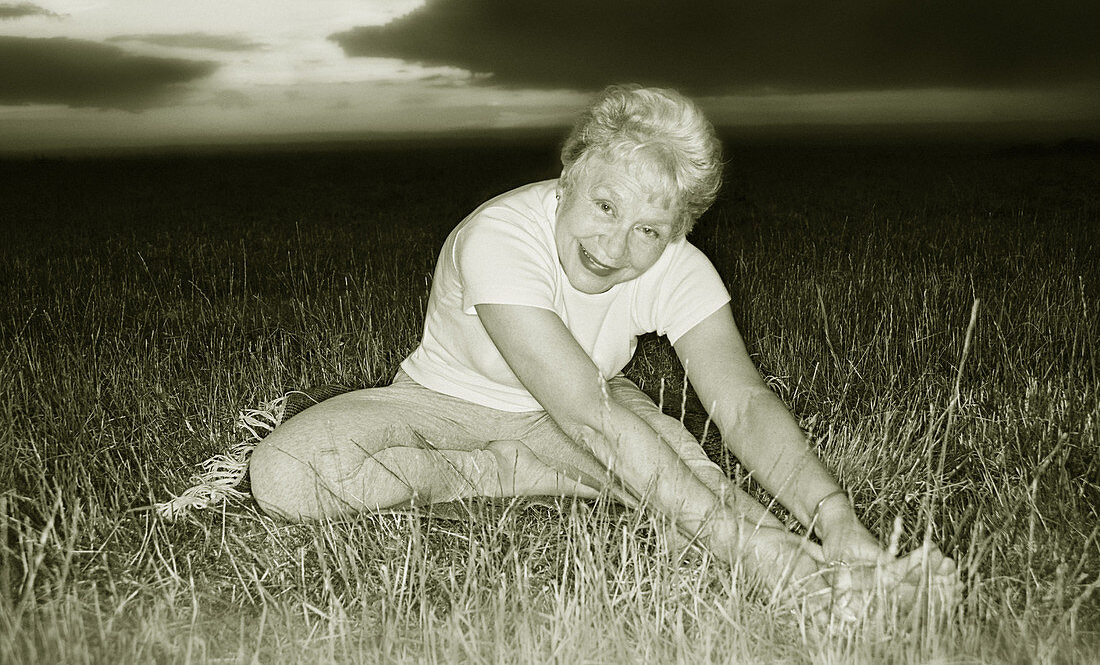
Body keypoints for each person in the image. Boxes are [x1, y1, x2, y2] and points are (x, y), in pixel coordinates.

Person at [247, 85, 957, 617]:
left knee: (690, 487)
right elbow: (585, 415)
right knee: (285, 475)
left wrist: (837, 518)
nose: (615, 247)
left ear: (678, 229)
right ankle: (524, 475)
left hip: (593, 402)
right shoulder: (500, 235)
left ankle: (857, 578)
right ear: (567, 182)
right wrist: (747, 548)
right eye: (606, 206)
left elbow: (740, 402)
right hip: (442, 404)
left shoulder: (680, 266)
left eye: (651, 229)